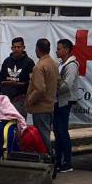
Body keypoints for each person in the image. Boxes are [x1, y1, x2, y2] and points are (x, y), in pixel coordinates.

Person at [26, 38, 59, 154]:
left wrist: (30, 100)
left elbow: (39, 88)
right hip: (50, 105)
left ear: (37, 49)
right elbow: (58, 83)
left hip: (40, 107)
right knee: (45, 132)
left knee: (42, 135)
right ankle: (48, 157)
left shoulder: (39, 67)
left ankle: (47, 158)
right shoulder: (53, 64)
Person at [53, 38, 78, 173]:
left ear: (66, 50)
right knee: (57, 131)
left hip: (64, 101)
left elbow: (67, 84)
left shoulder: (72, 65)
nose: (57, 51)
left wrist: (52, 90)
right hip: (58, 101)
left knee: (62, 131)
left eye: (59, 48)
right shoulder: (61, 64)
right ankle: (58, 160)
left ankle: (67, 162)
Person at [0, 37, 35, 116]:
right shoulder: (7, 61)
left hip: (20, 99)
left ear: (23, 47)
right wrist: (2, 91)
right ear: (11, 48)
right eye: (14, 47)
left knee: (19, 124)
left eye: (19, 47)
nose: (16, 49)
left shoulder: (29, 62)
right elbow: (1, 79)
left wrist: (19, 85)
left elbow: (32, 82)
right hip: (6, 99)